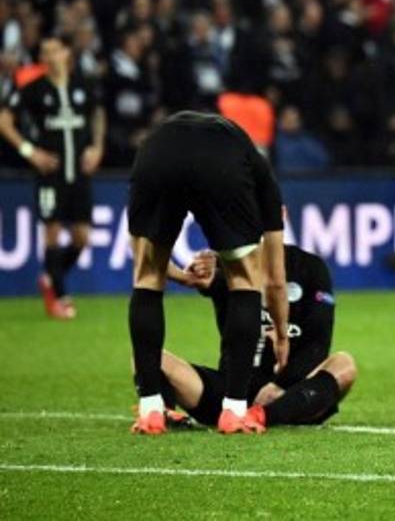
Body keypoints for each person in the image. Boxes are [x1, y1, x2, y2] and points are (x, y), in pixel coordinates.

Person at [126, 110, 289, 435]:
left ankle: (151, 409)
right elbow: (273, 281)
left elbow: (141, 260)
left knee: (147, 278)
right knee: (245, 279)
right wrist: (282, 333)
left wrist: (179, 276)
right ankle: (234, 412)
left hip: (157, 152)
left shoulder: (162, 142)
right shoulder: (264, 182)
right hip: (221, 160)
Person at [155, 245, 356, 428]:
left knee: (344, 364)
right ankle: (165, 413)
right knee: (151, 355)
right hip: (230, 394)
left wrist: (280, 385)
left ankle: (263, 416)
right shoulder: (226, 263)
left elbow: (318, 344)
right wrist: (192, 272)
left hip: (290, 392)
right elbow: (203, 279)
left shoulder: (309, 266)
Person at [0, 35, 106, 320]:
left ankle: (49, 277)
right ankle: (59, 296)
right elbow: (4, 121)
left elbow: (98, 113)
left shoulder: (83, 85)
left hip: (79, 173)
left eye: (54, 51)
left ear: (66, 53)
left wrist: (97, 147)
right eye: (44, 53)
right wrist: (30, 152)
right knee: (53, 232)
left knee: (82, 237)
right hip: (50, 174)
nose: (49, 57)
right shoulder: (33, 89)